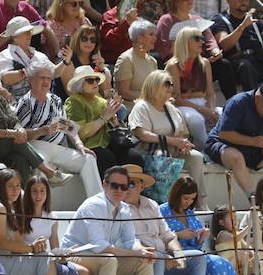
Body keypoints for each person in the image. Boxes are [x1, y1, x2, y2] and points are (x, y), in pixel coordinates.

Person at [15, 59, 102, 197]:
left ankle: (97, 204)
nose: (46, 82)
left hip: (61, 149)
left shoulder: (56, 100)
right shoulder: (25, 102)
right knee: (40, 161)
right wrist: (42, 130)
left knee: (88, 158)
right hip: (38, 147)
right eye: (42, 78)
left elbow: (68, 127)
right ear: (31, 80)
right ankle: (40, 209)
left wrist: (80, 145)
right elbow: (20, 134)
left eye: (49, 78)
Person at [60, 165, 157, 275]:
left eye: (124, 187)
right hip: (72, 255)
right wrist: (135, 253)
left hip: (99, 258)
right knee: (109, 259)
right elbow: (99, 246)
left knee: (144, 261)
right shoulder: (94, 206)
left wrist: (143, 251)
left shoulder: (124, 209)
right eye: (115, 186)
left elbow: (130, 242)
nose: (119, 190)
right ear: (104, 184)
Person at [204, 81, 263, 201]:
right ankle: (255, 202)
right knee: (237, 157)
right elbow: (224, 133)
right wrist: (252, 141)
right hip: (224, 145)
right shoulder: (238, 102)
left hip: (255, 150)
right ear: (257, 97)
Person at [129, 70, 205, 192]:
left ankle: (197, 201)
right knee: (162, 156)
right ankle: (160, 198)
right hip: (149, 153)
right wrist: (174, 141)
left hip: (172, 150)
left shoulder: (171, 108)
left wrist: (183, 144)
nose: (170, 87)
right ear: (154, 85)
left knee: (196, 157)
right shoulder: (142, 107)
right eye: (166, 84)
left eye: (171, 84)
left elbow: (181, 134)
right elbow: (143, 135)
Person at [211, 0, 263, 96]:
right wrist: (242, 26)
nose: (244, 2)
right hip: (238, 63)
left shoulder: (255, 20)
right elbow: (223, 44)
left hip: (258, 60)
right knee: (245, 66)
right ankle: (253, 103)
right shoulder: (220, 20)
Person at [65, 64, 135, 174]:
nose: (95, 83)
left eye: (96, 80)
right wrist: (104, 117)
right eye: (90, 80)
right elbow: (81, 132)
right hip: (87, 146)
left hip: (108, 143)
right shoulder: (74, 101)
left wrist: (114, 117)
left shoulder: (101, 101)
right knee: (107, 157)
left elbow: (115, 126)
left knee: (133, 157)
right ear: (79, 84)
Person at [166, 27, 219, 150]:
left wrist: (211, 110)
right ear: (185, 41)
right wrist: (204, 110)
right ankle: (208, 148)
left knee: (223, 115)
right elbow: (177, 98)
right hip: (183, 106)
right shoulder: (173, 65)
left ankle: (218, 146)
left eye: (202, 38)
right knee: (196, 120)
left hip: (203, 103)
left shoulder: (205, 63)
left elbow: (210, 92)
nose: (202, 42)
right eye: (197, 38)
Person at [159, 176, 210, 275]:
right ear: (176, 195)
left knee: (220, 262)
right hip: (172, 255)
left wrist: (201, 237)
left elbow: (197, 245)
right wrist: (179, 235)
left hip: (193, 254)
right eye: (186, 198)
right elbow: (156, 237)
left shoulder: (190, 213)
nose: (189, 202)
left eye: (192, 199)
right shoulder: (162, 211)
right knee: (208, 261)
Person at [113, 19, 159, 108]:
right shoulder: (126, 59)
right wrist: (150, 98)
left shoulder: (152, 61)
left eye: (154, 35)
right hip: (132, 109)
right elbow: (124, 92)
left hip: (150, 106)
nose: (155, 38)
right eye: (151, 34)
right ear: (139, 38)